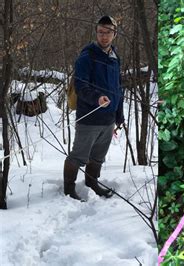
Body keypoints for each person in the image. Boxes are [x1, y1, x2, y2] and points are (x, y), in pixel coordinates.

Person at [63, 15, 124, 201]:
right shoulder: (87, 56)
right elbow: (81, 86)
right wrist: (97, 98)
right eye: (100, 32)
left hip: (108, 118)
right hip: (89, 117)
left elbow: (117, 88)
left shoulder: (114, 57)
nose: (103, 36)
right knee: (79, 156)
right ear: (96, 33)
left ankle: (92, 183)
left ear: (114, 33)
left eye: (107, 32)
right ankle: (69, 190)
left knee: (98, 156)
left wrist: (119, 115)